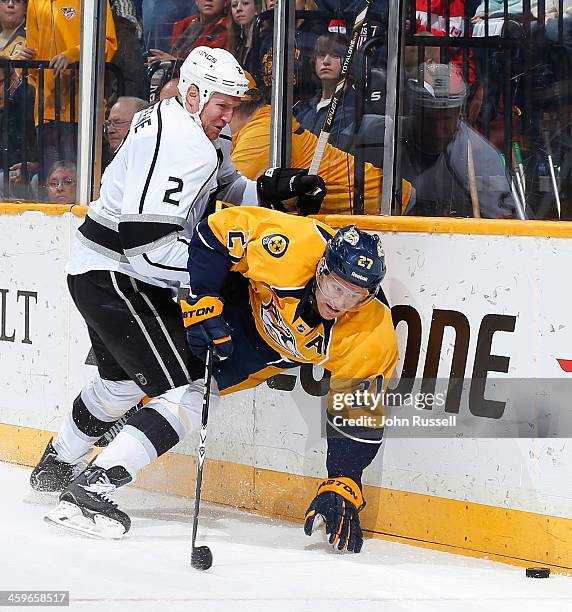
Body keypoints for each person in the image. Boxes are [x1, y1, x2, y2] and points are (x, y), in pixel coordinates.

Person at [29, 46, 326, 515]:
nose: (228, 119)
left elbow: (223, 187)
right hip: (119, 277)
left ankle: (57, 463)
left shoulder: (177, 121)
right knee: (184, 388)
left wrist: (273, 189)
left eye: (233, 107)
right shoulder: (182, 144)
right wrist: (228, 272)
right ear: (193, 93)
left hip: (98, 269)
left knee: (122, 385)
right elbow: (147, 251)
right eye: (222, 107)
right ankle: (94, 488)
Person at [43, 204, 398, 554]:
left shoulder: (371, 332)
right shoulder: (293, 245)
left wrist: (345, 478)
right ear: (322, 269)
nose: (341, 303)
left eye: (356, 295)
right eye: (337, 288)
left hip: (262, 353)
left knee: (190, 394)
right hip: (235, 299)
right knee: (133, 382)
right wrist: (205, 301)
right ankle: (62, 463)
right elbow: (214, 233)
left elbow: (358, 413)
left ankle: (91, 482)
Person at [338, 63, 517, 217]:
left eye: (446, 119)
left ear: (459, 114)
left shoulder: (481, 157)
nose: (438, 129)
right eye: (431, 118)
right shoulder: (369, 133)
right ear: (413, 110)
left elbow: (505, 223)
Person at [229, 74, 415, 214]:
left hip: (387, 203)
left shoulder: (260, 133)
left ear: (232, 107)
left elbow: (228, 200)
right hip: (374, 202)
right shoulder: (262, 122)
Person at [19, 0, 117, 182]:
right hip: (46, 111)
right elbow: (33, 67)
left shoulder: (91, 3)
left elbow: (107, 44)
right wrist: (27, 59)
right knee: (52, 182)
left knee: (78, 181)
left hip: (82, 110)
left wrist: (72, 55)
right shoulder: (35, 2)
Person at [294, 32, 355, 148]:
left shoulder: (351, 108)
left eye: (335, 55)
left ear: (349, 61)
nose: (326, 61)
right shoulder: (304, 107)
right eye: (321, 55)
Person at [147, 0, 229, 64]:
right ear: (196, 1)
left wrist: (174, 62)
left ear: (226, 2)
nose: (208, 0)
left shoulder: (228, 30)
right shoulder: (184, 25)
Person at [227, 0, 261, 74]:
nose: (238, 8)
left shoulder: (264, 39)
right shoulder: (237, 42)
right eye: (234, 5)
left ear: (256, 8)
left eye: (245, 3)